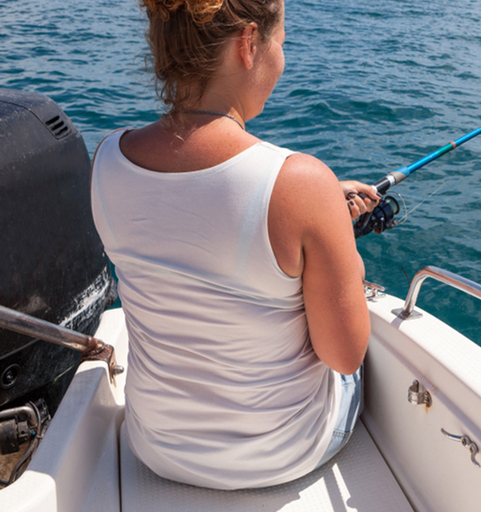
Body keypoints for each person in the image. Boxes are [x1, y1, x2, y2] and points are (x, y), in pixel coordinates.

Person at [90, 0, 378, 490]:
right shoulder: (305, 183)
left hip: (156, 448)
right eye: (281, 43)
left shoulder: (108, 159)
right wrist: (335, 236)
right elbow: (343, 356)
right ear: (248, 43)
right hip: (282, 455)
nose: (282, 60)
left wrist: (320, 208)